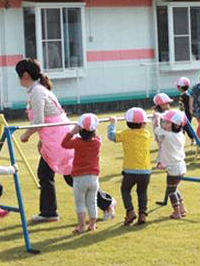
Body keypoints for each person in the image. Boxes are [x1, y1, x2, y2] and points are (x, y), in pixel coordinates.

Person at [16, 58, 116, 223]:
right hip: (53, 140)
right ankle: (49, 212)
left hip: (59, 141)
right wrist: (43, 140)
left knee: (73, 177)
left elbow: (39, 120)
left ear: (25, 75)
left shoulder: (37, 91)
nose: (18, 79)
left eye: (19, 76)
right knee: (45, 174)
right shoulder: (39, 90)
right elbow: (48, 119)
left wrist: (25, 135)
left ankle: (107, 203)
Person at [108, 107, 152, 226]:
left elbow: (111, 136)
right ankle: (142, 213)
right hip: (145, 170)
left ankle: (130, 211)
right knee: (142, 192)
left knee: (125, 190)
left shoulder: (125, 134)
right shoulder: (146, 134)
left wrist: (113, 124)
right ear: (143, 124)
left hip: (129, 170)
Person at [61, 114, 102, 234]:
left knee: (80, 204)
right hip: (93, 177)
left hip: (79, 178)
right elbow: (94, 135)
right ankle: (92, 226)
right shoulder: (97, 142)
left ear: (80, 129)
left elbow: (64, 144)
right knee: (92, 202)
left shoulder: (76, 142)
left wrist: (72, 132)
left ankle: (82, 227)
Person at [153, 110, 188, 220]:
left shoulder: (167, 135)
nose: (164, 125)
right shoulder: (180, 135)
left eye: (167, 123)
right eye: (164, 122)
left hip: (174, 168)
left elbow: (156, 129)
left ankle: (177, 212)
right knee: (174, 188)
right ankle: (182, 209)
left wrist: (157, 119)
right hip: (180, 166)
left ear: (176, 125)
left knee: (171, 191)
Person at [153, 93, 173, 169]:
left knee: (166, 149)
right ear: (161, 105)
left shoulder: (165, 113)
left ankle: (165, 161)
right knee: (162, 149)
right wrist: (157, 136)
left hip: (166, 134)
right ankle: (159, 163)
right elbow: (155, 125)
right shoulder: (157, 115)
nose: (168, 105)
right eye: (167, 104)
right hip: (160, 135)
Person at [176, 77, 193, 144]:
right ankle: (180, 140)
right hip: (182, 114)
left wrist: (187, 114)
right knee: (182, 127)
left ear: (180, 87)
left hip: (186, 115)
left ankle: (193, 139)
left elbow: (188, 106)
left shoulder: (186, 95)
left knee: (187, 128)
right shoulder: (183, 94)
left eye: (177, 86)